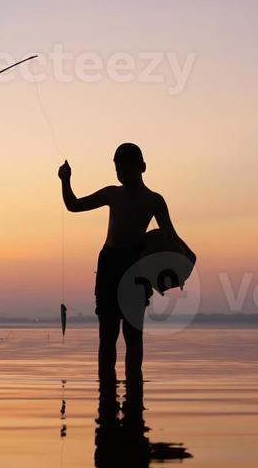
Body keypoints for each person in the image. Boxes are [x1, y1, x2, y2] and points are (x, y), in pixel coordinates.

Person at [59, 143, 182, 384]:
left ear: (143, 167)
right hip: (109, 264)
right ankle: (107, 397)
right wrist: (65, 180)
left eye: (126, 169)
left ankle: (134, 397)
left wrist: (180, 263)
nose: (121, 174)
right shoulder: (112, 194)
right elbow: (73, 205)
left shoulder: (154, 200)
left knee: (133, 335)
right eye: (118, 169)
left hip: (136, 268)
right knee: (107, 334)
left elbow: (170, 236)